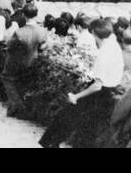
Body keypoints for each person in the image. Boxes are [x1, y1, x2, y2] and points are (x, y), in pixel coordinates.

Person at [40, 18, 124, 148]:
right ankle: (51, 142)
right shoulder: (114, 44)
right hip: (109, 91)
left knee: (70, 118)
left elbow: (97, 85)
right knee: (86, 129)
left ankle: (50, 142)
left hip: (100, 92)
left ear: (94, 34)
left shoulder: (104, 53)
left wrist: (76, 96)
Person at [0, 4, 46, 117]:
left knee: (7, 79)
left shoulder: (19, 32)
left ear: (24, 15)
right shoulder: (43, 31)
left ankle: (18, 107)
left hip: (17, 63)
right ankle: (15, 108)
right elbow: (44, 46)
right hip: (33, 63)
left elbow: (9, 46)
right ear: (36, 15)